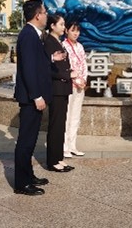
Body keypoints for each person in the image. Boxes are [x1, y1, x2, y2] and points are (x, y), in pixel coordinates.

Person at [14, 0, 62, 195]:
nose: (46, 15)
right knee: (26, 141)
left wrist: (51, 58)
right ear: (37, 15)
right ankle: (21, 183)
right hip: (30, 98)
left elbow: (35, 61)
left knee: (31, 139)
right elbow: (28, 69)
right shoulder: (28, 35)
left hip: (34, 96)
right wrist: (36, 96)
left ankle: (29, 175)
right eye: (44, 12)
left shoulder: (34, 34)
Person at [43, 13, 75, 172]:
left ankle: (58, 157)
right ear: (52, 26)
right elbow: (48, 68)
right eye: (61, 24)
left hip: (63, 88)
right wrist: (68, 75)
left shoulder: (57, 42)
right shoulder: (49, 42)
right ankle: (52, 161)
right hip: (56, 89)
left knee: (60, 124)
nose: (64, 27)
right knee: (55, 124)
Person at [62, 20, 87, 158]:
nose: (76, 33)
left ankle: (73, 145)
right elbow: (65, 67)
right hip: (68, 85)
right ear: (67, 31)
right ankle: (64, 146)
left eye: (77, 31)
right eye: (73, 30)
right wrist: (76, 80)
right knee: (67, 116)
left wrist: (83, 80)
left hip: (80, 86)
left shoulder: (80, 46)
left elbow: (84, 64)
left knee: (76, 116)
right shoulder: (63, 46)